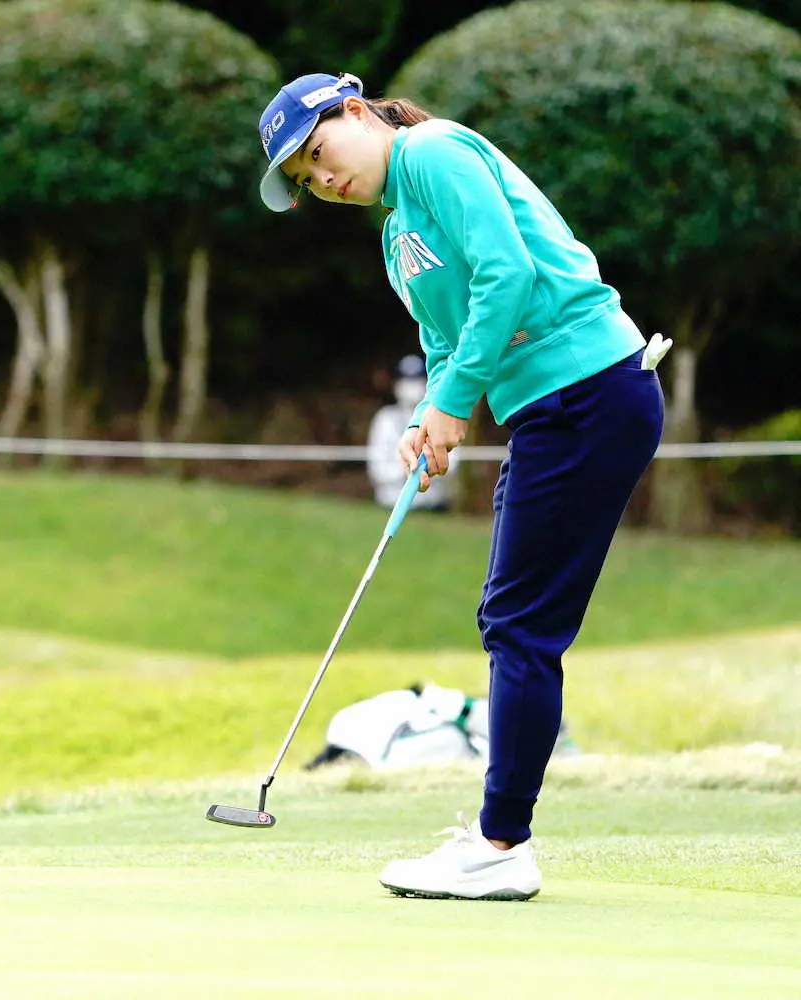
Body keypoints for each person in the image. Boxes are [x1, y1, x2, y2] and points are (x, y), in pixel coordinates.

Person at [257, 72, 670, 901]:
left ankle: (499, 845)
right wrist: (427, 418)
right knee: (511, 621)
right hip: (551, 409)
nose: (324, 179)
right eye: (305, 178)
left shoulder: (433, 151)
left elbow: (505, 275)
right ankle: (499, 839)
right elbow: (444, 341)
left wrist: (455, 403)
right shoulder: (395, 233)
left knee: (521, 626)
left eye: (319, 152)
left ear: (353, 111)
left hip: (587, 389)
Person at [367, 353, 459, 512]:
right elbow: (377, 468)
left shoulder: (442, 418)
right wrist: (407, 471)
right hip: (391, 502)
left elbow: (452, 464)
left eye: (416, 379)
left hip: (433, 505)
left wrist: (426, 471)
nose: (411, 386)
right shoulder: (385, 418)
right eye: (406, 379)